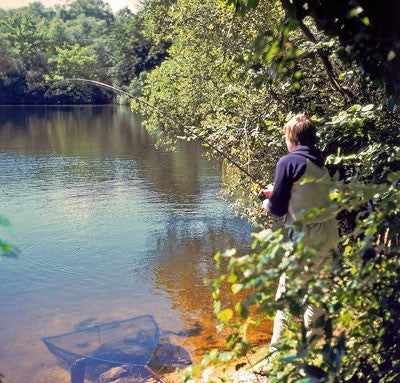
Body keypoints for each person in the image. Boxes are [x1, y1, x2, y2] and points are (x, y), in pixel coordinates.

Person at [259, 114, 339, 366]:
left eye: (285, 136)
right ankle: (312, 351)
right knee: (317, 293)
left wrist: (266, 202)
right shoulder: (320, 162)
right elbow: (306, 193)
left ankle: (275, 358)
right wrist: (278, 192)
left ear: (291, 138)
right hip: (329, 232)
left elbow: (277, 209)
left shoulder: (288, 161)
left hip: (306, 237)